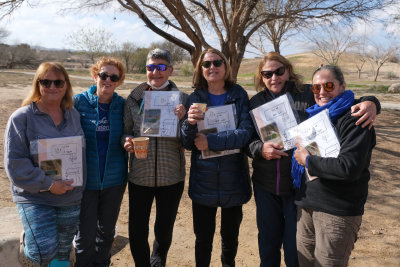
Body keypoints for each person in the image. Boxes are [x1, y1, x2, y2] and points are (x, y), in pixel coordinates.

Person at [246, 52, 379, 267]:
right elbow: (247, 138)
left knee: (295, 252)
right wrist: (260, 148)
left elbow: (343, 100)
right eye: (267, 73)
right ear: (261, 77)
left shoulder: (308, 93)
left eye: (279, 71)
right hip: (266, 184)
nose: (274, 77)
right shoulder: (255, 102)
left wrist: (371, 102)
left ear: (288, 71)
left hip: (298, 188)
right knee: (268, 247)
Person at [293, 65, 376, 266]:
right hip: (306, 206)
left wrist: (308, 161)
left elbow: (348, 167)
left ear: (342, 86)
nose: (322, 92)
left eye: (329, 86)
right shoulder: (313, 117)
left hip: (337, 211)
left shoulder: (356, 118)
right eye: (316, 88)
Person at [4, 62, 85, 267]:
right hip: (35, 196)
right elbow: (15, 164)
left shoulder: (74, 116)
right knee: (42, 250)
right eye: (46, 81)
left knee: (63, 251)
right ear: (37, 85)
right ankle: (29, 237)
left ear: (66, 85)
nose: (52, 87)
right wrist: (48, 184)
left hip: (70, 195)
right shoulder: (21, 118)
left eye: (58, 82)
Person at [181, 48, 254, 267]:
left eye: (217, 62)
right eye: (206, 64)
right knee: (203, 240)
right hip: (204, 182)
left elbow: (245, 134)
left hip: (234, 180)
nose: (212, 67)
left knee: (230, 240)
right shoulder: (195, 97)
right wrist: (189, 124)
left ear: (225, 67)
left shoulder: (238, 95)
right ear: (200, 69)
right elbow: (187, 142)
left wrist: (210, 141)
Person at [122, 48, 187, 267]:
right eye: (150, 67)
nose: (155, 73)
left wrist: (184, 119)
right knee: (137, 229)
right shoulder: (133, 99)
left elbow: (189, 138)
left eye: (160, 67)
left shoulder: (183, 100)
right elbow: (126, 131)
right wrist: (127, 141)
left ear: (170, 70)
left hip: (172, 177)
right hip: (140, 175)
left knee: (164, 229)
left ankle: (158, 262)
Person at [73, 57, 127, 267]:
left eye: (114, 77)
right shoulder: (78, 103)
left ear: (119, 81)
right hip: (86, 182)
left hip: (115, 180)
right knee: (85, 235)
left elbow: (132, 130)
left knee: (106, 234)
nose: (108, 80)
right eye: (104, 75)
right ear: (95, 76)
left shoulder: (122, 105)